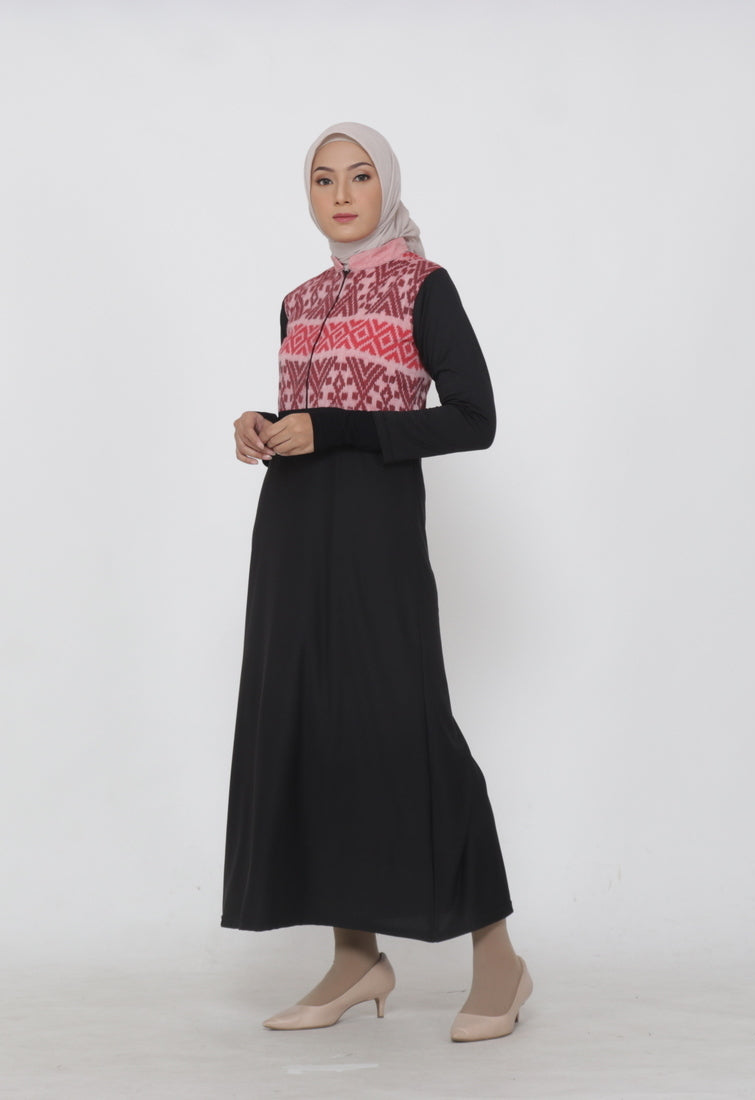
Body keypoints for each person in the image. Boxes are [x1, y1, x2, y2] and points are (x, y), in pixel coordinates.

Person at [221, 122, 532, 1043]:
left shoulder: (423, 286)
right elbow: (317, 413)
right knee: (313, 723)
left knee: (410, 726)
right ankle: (356, 957)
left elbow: (473, 418)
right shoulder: (299, 299)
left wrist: (338, 428)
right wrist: (264, 424)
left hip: (375, 530)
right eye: (324, 180)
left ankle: (500, 960)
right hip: (291, 529)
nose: (342, 194)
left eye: (359, 177)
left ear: (386, 186)